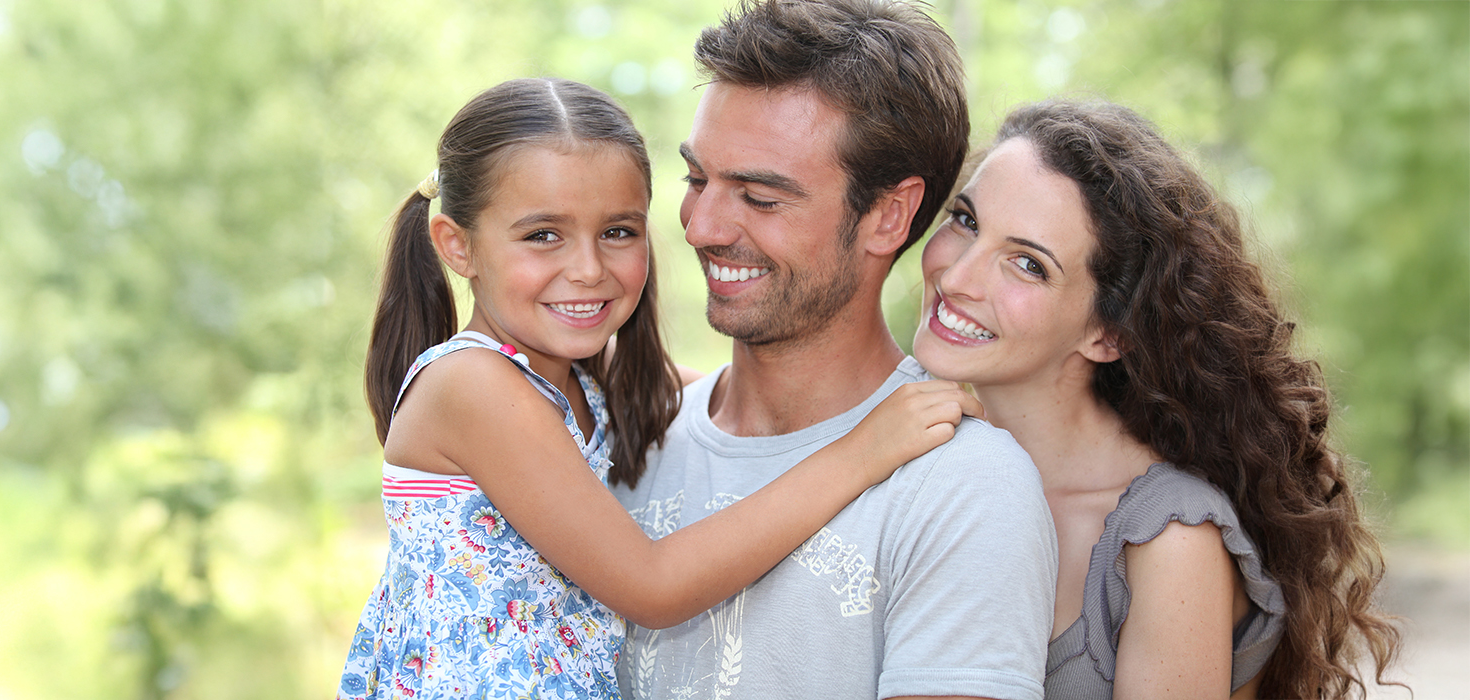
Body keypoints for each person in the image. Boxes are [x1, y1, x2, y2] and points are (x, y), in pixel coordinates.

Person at [339, 77, 982, 700]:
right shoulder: (473, 385)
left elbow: (749, 403)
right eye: (543, 235)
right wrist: (864, 451)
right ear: (458, 246)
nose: (589, 269)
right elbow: (654, 586)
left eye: (618, 231)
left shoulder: (581, 376)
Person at [608, 1, 1058, 699]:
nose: (700, 227)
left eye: (760, 197)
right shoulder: (630, 434)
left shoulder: (962, 486)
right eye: (698, 179)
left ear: (888, 216)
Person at [912, 99, 1403, 699]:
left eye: (1027, 264)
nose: (956, 276)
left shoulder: (1167, 541)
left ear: (1107, 334)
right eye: (965, 220)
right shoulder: (908, 448)